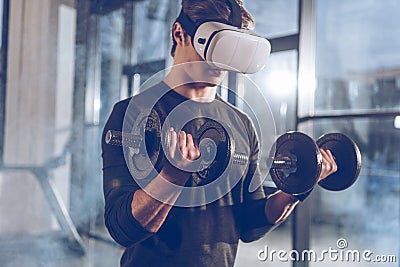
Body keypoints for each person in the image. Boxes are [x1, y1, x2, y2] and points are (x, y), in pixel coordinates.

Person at [101, 0, 337, 266]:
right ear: (180, 34)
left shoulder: (241, 124)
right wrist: (172, 176)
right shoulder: (132, 113)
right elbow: (121, 228)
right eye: (214, 46)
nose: (221, 61)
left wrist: (296, 189)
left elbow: (249, 223)